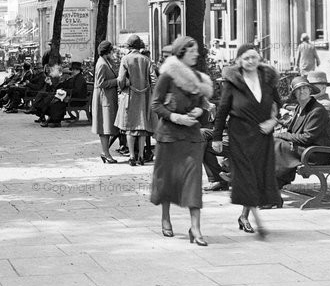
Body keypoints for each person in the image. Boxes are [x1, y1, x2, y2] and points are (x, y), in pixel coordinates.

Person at [211, 44, 282, 237]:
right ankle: (255, 220)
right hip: (240, 136)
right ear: (239, 61)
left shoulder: (268, 79)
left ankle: (244, 216)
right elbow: (223, 110)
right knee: (246, 176)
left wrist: (272, 121)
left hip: (262, 135)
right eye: (246, 58)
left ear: (259, 59)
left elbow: (278, 104)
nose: (251, 61)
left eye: (254, 57)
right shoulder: (232, 82)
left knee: (258, 176)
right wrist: (216, 136)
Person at [150, 35, 213, 245]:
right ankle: (165, 217)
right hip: (169, 137)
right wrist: (176, 117)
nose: (196, 54)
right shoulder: (168, 75)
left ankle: (195, 228)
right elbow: (156, 105)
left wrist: (199, 110)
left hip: (192, 139)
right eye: (192, 50)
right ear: (182, 52)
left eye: (196, 50)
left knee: (193, 182)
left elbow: (204, 105)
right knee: (168, 179)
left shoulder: (198, 78)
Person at [275, 76, 330, 188]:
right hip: (303, 148)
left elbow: (307, 137)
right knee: (272, 142)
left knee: (277, 144)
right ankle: (272, 184)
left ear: (310, 90)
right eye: (298, 89)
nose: (302, 91)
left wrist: (281, 135)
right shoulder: (299, 107)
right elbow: (293, 129)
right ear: (294, 94)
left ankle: (275, 185)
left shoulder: (317, 110)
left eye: (305, 88)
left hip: (316, 153)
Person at [115, 34, 154, 166]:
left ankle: (132, 156)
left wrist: (122, 87)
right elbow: (153, 79)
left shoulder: (125, 59)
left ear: (129, 47)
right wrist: (150, 92)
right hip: (144, 97)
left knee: (130, 127)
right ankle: (142, 156)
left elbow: (120, 80)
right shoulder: (146, 60)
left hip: (129, 96)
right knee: (142, 127)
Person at [92, 40, 119, 164]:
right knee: (104, 127)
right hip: (103, 99)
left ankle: (105, 152)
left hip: (106, 98)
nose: (112, 53)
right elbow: (101, 83)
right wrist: (117, 81)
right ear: (107, 52)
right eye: (111, 51)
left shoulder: (106, 62)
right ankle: (105, 153)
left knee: (107, 127)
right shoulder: (102, 64)